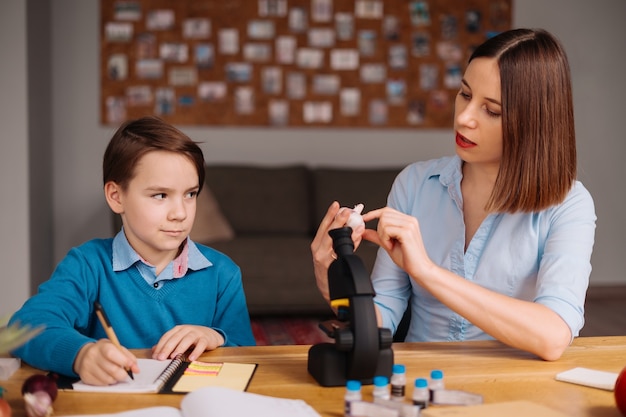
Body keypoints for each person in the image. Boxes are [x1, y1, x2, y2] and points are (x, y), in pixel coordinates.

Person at [311, 28, 596, 361]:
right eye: (465, 94)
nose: (464, 118)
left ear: (535, 123)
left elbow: (552, 335)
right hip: (418, 378)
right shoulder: (415, 183)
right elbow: (379, 321)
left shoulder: (569, 204)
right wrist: (330, 274)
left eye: (491, 111)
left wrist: (427, 271)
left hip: (514, 385)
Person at [10, 116, 255, 385]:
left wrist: (216, 337)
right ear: (116, 197)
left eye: (190, 194)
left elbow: (247, 354)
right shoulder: (87, 265)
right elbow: (27, 327)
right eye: (160, 195)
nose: (180, 213)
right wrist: (81, 354)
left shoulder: (223, 273)